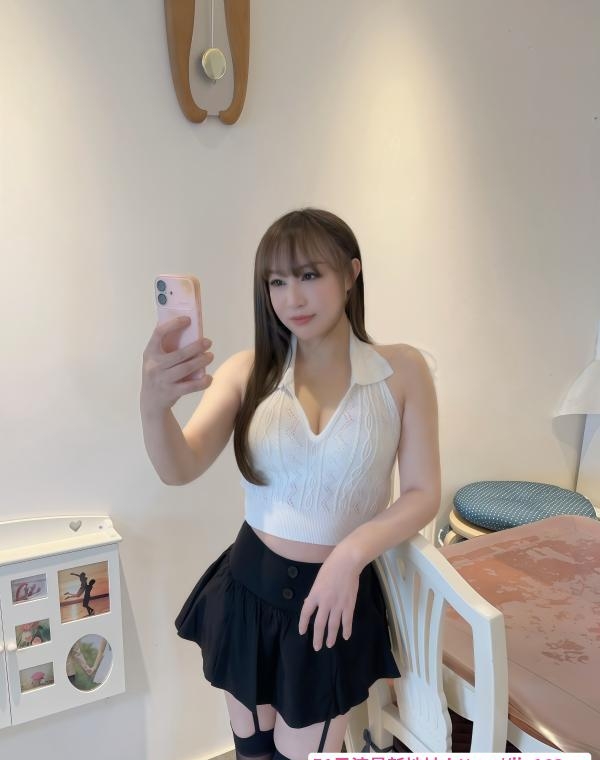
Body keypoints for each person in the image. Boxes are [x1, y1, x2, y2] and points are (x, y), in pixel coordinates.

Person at [140, 208, 440, 760]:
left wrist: (351, 554)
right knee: (252, 753)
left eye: (309, 275)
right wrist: (154, 405)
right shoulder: (247, 371)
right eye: (276, 281)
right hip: (248, 588)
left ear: (350, 274)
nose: (291, 298)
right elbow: (178, 467)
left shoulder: (402, 371)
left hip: (330, 604)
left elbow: (423, 491)